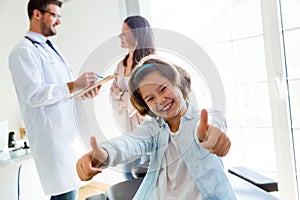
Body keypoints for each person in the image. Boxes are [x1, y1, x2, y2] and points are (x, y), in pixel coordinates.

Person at [76, 55, 235, 199]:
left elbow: (215, 123)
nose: (160, 100)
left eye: (163, 88)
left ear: (178, 82)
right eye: (150, 98)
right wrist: (103, 154)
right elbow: (129, 143)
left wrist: (210, 137)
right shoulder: (152, 129)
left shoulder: (204, 118)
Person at [8, 0, 99, 199]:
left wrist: (83, 91)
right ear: (37, 14)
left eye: (59, 17)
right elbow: (33, 94)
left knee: (67, 194)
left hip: (67, 139)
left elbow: (61, 91)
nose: (58, 22)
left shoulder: (51, 48)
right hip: (53, 144)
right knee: (65, 195)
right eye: (54, 15)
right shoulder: (23, 51)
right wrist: (75, 85)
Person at [109, 15, 155, 179]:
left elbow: (146, 95)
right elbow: (112, 93)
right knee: (128, 175)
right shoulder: (121, 65)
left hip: (148, 128)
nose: (120, 37)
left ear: (137, 35)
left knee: (147, 176)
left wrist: (123, 95)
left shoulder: (151, 62)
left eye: (124, 33)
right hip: (128, 130)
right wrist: (127, 96)